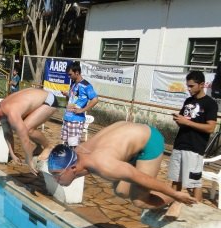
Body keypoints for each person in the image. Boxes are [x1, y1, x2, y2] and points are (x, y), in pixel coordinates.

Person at [47, 121, 198, 210]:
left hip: (149, 141)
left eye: (56, 174)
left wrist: (175, 194)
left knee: (139, 201)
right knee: (121, 191)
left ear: (73, 168)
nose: (55, 179)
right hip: (126, 136)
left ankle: (178, 195)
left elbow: (142, 178)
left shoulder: (105, 166)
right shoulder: (77, 154)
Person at [0, 88, 58, 175]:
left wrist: (29, 159)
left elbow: (24, 138)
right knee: (23, 127)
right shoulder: (1, 111)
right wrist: (12, 154)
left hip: (49, 100)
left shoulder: (11, 112)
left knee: (27, 129)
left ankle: (48, 147)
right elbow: (8, 134)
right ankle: (39, 147)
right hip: (38, 99)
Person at [168, 70, 218, 202]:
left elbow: (210, 128)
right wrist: (179, 121)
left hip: (195, 149)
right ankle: (171, 207)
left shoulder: (210, 103)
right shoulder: (188, 100)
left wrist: (187, 122)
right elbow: (184, 122)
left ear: (201, 84)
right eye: (187, 86)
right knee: (176, 180)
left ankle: (197, 212)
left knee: (195, 184)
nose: (188, 89)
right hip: (179, 145)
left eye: (191, 86)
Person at [61, 61, 98, 148]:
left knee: (73, 146)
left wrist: (82, 110)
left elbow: (95, 99)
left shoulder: (86, 86)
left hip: (76, 120)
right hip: (67, 118)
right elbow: (74, 96)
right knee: (66, 144)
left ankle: (74, 161)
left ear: (77, 73)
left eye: (70, 74)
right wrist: (67, 94)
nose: (69, 77)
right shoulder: (73, 84)